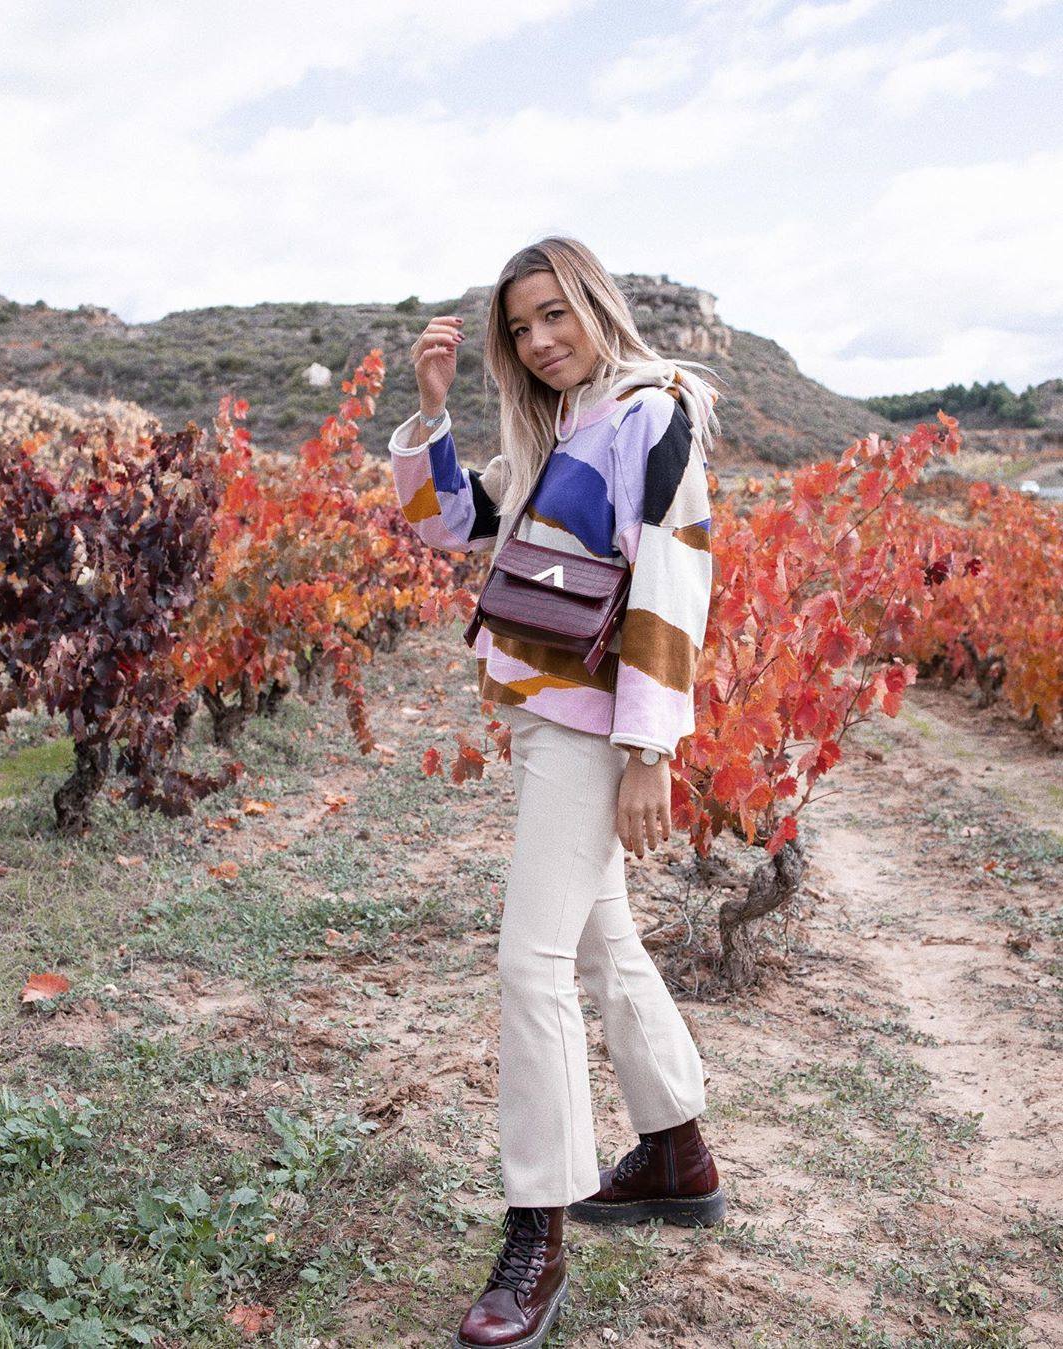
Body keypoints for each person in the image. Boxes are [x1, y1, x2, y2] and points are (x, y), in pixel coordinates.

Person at [388, 237, 727, 1349]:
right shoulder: (555, 429)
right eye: (519, 329)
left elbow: (673, 572)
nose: (538, 340)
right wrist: (433, 411)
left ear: (594, 303)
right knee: (600, 944)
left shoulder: (649, 411)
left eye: (553, 316)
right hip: (544, 715)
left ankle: (537, 1228)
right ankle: (676, 1149)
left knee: (527, 961)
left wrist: (649, 747)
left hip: (594, 725)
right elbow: (450, 525)